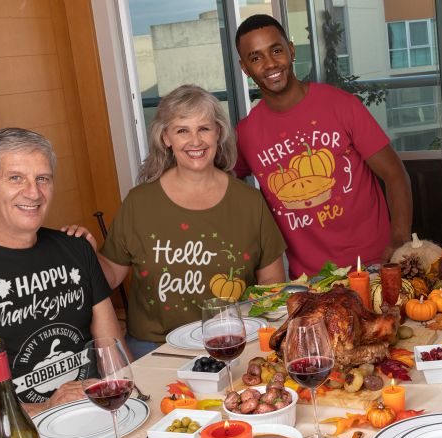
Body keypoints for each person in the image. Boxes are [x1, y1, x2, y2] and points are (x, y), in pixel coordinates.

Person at [0, 128, 125, 438]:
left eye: (43, 178)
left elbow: (113, 350)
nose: (33, 192)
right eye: (15, 178)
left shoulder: (77, 249)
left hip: (94, 419)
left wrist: (109, 399)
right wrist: (45, 410)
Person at [68, 85, 287, 359]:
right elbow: (110, 276)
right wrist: (85, 250)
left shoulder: (249, 201)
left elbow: (272, 284)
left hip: (232, 343)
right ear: (166, 138)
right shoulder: (140, 202)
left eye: (204, 128)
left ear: (218, 133)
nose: (195, 141)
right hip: (155, 349)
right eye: (182, 130)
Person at [233, 14, 413, 278]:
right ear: (245, 68)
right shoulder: (246, 134)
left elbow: (395, 174)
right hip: (311, 281)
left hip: (374, 265)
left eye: (276, 50)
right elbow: (218, 184)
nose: (270, 64)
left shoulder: (341, 105)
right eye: (256, 57)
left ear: (291, 50)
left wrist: (399, 240)